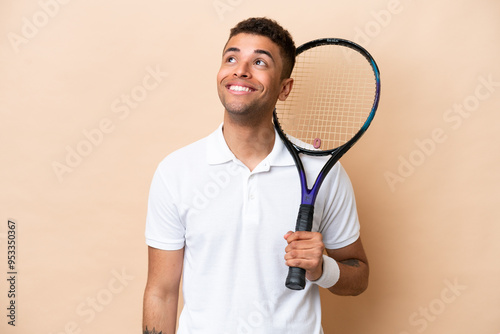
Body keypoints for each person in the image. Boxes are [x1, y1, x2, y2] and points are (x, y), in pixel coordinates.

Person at [142, 17, 369, 334]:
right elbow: (161, 292)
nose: (240, 70)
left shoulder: (321, 170)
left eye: (259, 62)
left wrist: (322, 268)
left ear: (284, 88)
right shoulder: (176, 171)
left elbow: (358, 276)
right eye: (231, 58)